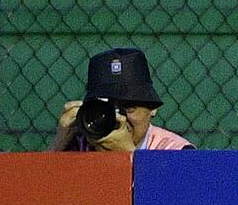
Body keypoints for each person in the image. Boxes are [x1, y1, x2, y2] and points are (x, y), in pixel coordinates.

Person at [48, 47, 194, 152]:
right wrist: (57, 145)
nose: (119, 118)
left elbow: (181, 194)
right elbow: (36, 192)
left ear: (153, 108)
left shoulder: (175, 151)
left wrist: (128, 156)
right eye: (107, 108)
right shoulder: (77, 147)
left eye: (129, 108)